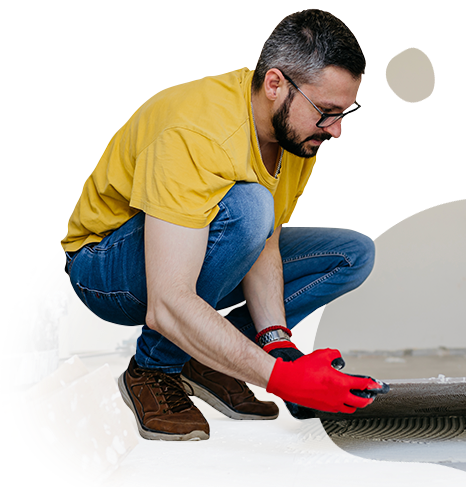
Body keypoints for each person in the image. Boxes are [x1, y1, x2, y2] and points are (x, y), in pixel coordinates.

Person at [59, 9, 386, 442]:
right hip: (104, 267)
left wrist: (278, 345)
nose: (337, 130)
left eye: (345, 112)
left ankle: (206, 358)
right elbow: (168, 300)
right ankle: (153, 371)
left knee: (353, 253)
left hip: (195, 246)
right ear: (275, 84)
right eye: (326, 112)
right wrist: (281, 379)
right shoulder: (196, 132)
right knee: (248, 206)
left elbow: (263, 243)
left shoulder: (294, 136)